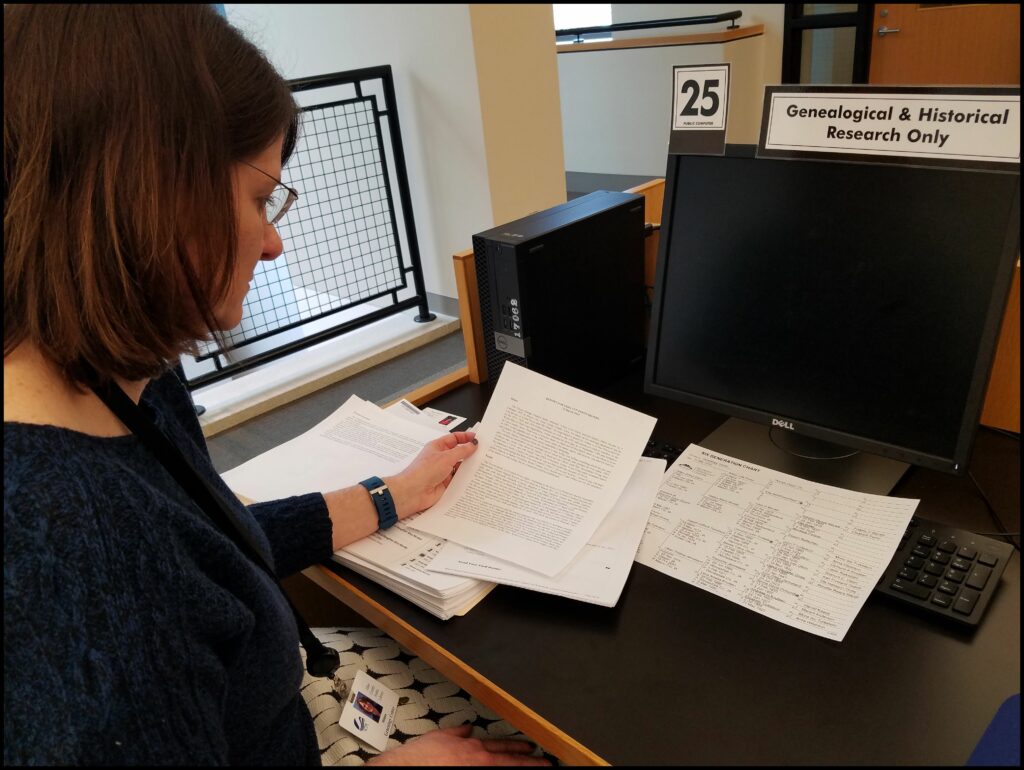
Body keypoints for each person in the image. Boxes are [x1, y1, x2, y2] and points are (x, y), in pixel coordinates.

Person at [3, 5, 548, 767]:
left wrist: (393, 493)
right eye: (260, 200)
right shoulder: (71, 564)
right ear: (149, 194)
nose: (272, 240)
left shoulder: (124, 377)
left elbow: (210, 551)